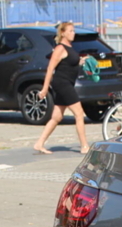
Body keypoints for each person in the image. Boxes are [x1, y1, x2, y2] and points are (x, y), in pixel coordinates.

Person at [33, 21, 90, 155]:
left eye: (73, 30)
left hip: (67, 83)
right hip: (62, 83)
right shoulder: (60, 48)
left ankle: (39, 143)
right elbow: (50, 69)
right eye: (70, 31)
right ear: (63, 33)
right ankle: (84, 146)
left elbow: (70, 63)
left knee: (57, 117)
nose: (73, 33)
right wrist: (45, 89)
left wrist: (82, 61)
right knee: (79, 113)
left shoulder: (69, 47)